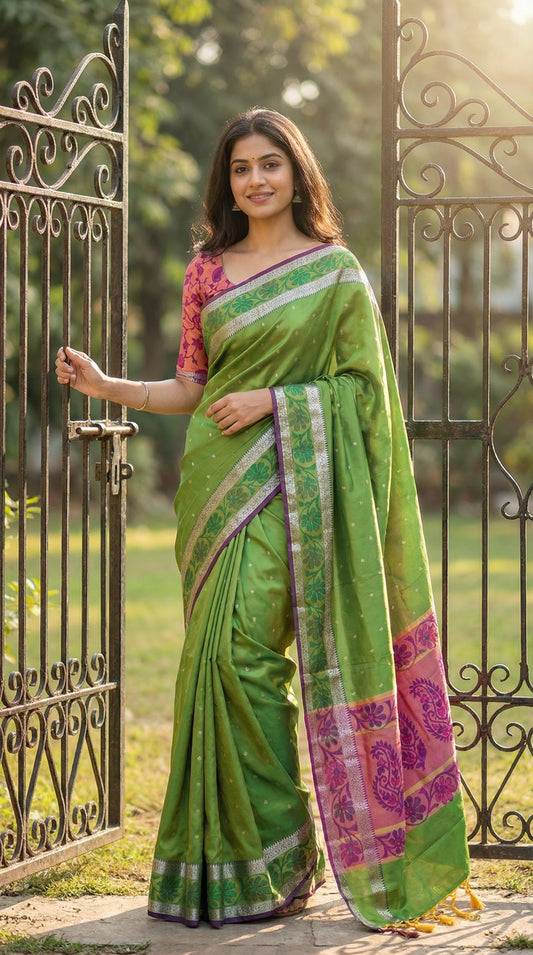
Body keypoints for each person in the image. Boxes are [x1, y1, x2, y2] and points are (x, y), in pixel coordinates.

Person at [56, 107, 477, 933]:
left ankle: (282, 852)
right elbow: (190, 387)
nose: (255, 178)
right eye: (241, 167)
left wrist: (281, 401)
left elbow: (366, 394)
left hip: (295, 493)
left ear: (296, 173)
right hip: (212, 494)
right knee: (209, 665)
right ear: (228, 182)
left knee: (246, 657)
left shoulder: (334, 273)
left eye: (270, 164)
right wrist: (111, 388)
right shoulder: (206, 273)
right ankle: (238, 870)